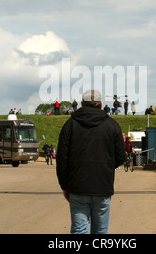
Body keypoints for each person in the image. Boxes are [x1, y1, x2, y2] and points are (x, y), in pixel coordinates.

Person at [57, 89, 126, 234]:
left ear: (82, 104)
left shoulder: (70, 125)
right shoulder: (112, 125)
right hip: (102, 186)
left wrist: (64, 185)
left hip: (78, 186)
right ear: (101, 105)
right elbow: (121, 156)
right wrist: (105, 168)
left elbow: (62, 159)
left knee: (79, 230)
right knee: (100, 231)